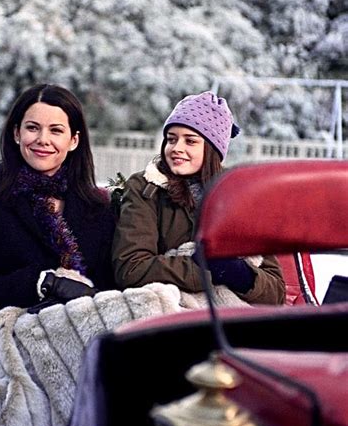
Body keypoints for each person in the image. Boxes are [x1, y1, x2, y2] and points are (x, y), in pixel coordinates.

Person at [0, 84, 116, 324]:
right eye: (32, 128)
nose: (43, 139)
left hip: (83, 328)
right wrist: (43, 283)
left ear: (73, 140)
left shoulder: (95, 206)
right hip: (6, 330)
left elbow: (108, 289)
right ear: (17, 134)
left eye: (56, 130)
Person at [112, 91, 286, 305]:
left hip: (227, 318)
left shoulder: (239, 197)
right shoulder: (145, 188)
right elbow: (131, 268)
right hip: (168, 312)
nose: (177, 148)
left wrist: (241, 275)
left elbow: (276, 291)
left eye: (190, 141)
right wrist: (206, 270)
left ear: (212, 149)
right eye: (171, 139)